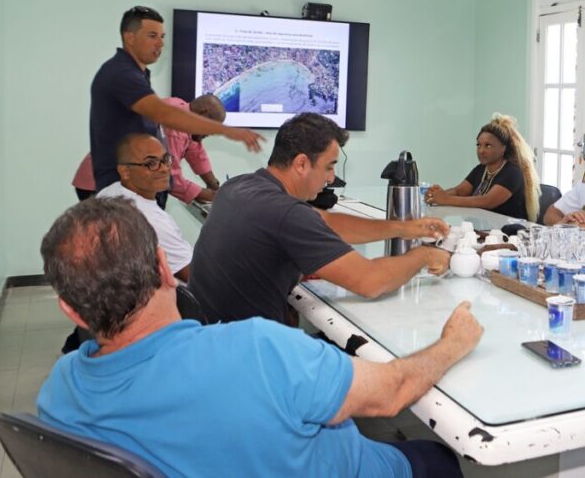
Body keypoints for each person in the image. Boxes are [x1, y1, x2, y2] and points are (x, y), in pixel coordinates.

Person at [38, 197, 481, 478]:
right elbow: (391, 393)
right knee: (438, 458)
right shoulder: (257, 350)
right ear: (162, 267)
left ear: (70, 308)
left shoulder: (59, 391)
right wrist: (453, 342)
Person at [189, 113, 453, 325]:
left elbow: (326, 222)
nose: (331, 178)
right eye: (329, 166)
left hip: (208, 336)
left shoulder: (238, 186)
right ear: (302, 164)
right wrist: (424, 256)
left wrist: (402, 228)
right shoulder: (287, 212)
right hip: (245, 359)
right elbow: (370, 281)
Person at [89, 5, 263, 193]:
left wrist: (213, 184)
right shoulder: (122, 74)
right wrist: (226, 131)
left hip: (129, 184)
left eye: (162, 37)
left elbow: (195, 151)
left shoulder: (139, 75)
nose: (160, 44)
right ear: (129, 37)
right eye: (152, 36)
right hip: (118, 185)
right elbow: (162, 114)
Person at [73, 94, 228, 203]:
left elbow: (195, 150)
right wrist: (212, 196)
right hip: (101, 185)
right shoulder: (175, 125)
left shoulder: (180, 108)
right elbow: (168, 177)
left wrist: (214, 185)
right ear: (202, 113)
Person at [95, 133, 194, 280]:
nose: (164, 169)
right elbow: (194, 277)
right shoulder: (150, 220)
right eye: (151, 164)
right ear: (125, 172)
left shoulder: (110, 191)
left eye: (166, 159)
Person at [424, 114, 540, 221]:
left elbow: (486, 201)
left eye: (488, 145)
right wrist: (436, 195)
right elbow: (459, 191)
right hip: (482, 230)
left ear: (503, 149)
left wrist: (445, 199)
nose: (481, 150)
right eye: (478, 145)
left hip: (507, 234)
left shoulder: (512, 173)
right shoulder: (481, 169)